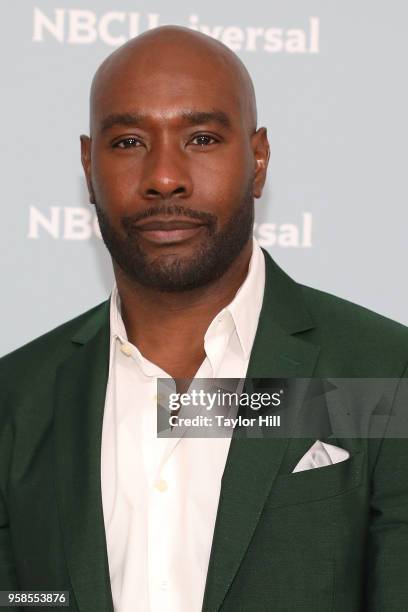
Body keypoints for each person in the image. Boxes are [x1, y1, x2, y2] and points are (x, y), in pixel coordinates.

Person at [1, 25, 408, 612]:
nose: (165, 177)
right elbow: (26, 599)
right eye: (128, 143)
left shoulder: (382, 374)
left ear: (259, 157)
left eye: (200, 137)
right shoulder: (17, 399)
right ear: (88, 166)